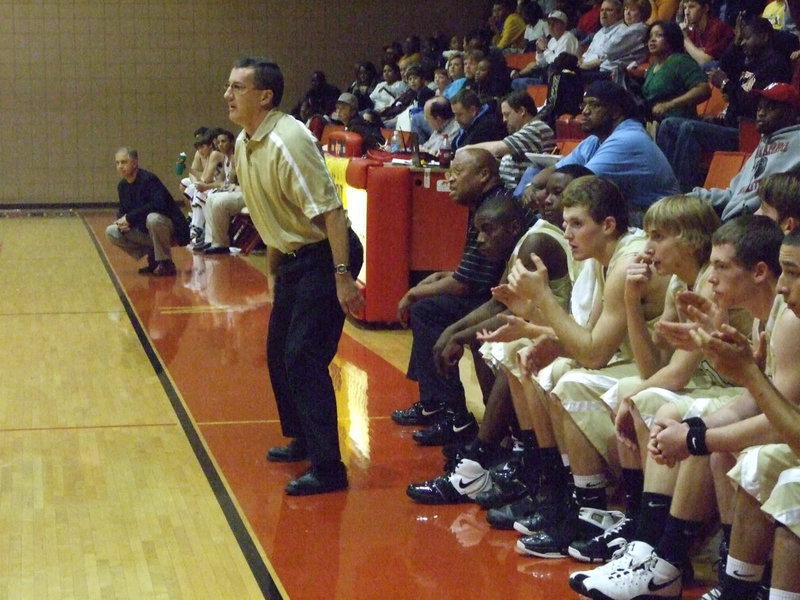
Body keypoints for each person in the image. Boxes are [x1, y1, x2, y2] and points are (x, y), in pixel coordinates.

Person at [405, 164, 592, 505]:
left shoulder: (539, 240)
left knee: (506, 345)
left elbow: (511, 309)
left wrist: (457, 335)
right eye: (545, 191)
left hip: (568, 332)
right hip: (558, 328)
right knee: (494, 341)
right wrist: (454, 333)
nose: (548, 199)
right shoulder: (545, 232)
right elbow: (501, 301)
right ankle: (506, 447)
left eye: (559, 193)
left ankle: (488, 454)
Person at [224, 57, 364, 496]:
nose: (227, 95)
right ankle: (303, 437)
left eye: (237, 87)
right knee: (279, 350)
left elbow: (332, 213)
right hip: (292, 259)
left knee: (304, 356)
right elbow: (269, 216)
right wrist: (272, 270)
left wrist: (343, 277)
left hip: (327, 253)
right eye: (228, 87)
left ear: (264, 96)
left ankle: (329, 468)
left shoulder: (289, 140)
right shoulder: (247, 142)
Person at [391, 148, 536, 446]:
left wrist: (415, 291)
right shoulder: (488, 204)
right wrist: (440, 277)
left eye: (457, 172)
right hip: (498, 295)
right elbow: (469, 274)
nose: (450, 178)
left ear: (484, 175)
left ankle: (452, 413)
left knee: (427, 310)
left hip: (511, 303)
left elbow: (467, 286)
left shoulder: (498, 211)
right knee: (430, 307)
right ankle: (435, 402)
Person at [555, 80, 679, 223]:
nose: (585, 111)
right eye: (584, 104)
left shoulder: (628, 138)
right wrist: (532, 186)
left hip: (663, 218)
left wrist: (542, 191)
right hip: (638, 211)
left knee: (580, 213)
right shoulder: (596, 139)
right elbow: (556, 171)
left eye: (594, 105)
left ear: (615, 112)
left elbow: (578, 185)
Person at [690, 82, 800, 221]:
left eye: (770, 108)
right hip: (733, 220)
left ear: (791, 113)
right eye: (759, 107)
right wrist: (693, 196)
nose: (761, 113)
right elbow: (732, 194)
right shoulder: (761, 147)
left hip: (762, 222)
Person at [106, 147, 190, 276]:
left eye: (124, 162)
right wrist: (121, 221)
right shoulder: (122, 186)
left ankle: (165, 262)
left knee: (153, 218)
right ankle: (154, 256)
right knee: (112, 232)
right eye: (117, 163)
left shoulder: (148, 180)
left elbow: (159, 204)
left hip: (171, 229)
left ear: (134, 163)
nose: (120, 166)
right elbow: (124, 210)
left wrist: (130, 218)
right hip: (147, 230)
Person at [463, 89, 556, 189]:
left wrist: (466, 149)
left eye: (507, 114)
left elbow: (497, 149)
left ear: (521, 111)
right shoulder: (524, 131)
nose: (504, 120)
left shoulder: (537, 128)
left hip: (523, 193)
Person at [640, 20, 711, 120]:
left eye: (659, 35)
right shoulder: (653, 66)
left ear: (671, 38)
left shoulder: (681, 61)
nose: (652, 40)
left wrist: (669, 105)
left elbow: (703, 90)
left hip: (677, 120)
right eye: (650, 36)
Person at [510, 10, 581, 88]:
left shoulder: (568, 38)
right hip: (548, 76)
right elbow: (542, 63)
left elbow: (559, 64)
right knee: (516, 81)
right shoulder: (552, 40)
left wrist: (545, 49)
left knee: (517, 83)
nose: (551, 26)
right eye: (549, 23)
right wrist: (539, 52)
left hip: (561, 81)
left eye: (555, 23)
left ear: (564, 25)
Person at [679, 0, 734, 67]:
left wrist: (685, 38)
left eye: (692, 7)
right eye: (685, 8)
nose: (686, 12)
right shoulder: (694, 31)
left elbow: (705, 61)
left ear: (705, 8)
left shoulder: (717, 28)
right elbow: (685, 58)